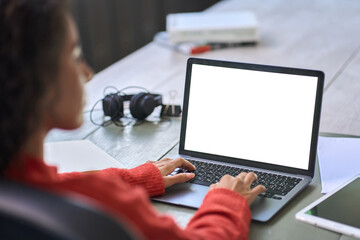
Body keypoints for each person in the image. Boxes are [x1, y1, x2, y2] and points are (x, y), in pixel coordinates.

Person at [0, 0, 266, 239]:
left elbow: (56, 185)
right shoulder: (111, 209)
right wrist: (227, 200)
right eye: (74, 56)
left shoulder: (16, 183)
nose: (88, 73)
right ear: (36, 80)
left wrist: (135, 178)